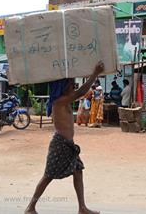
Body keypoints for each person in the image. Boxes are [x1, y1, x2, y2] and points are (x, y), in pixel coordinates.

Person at [25, 61, 104, 214]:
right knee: (48, 176)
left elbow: (79, 93)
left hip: (67, 144)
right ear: (63, 87)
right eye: (70, 83)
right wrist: (95, 74)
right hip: (60, 144)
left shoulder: (64, 100)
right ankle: (30, 207)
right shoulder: (59, 101)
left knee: (78, 171)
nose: (73, 86)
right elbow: (81, 93)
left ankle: (82, 208)